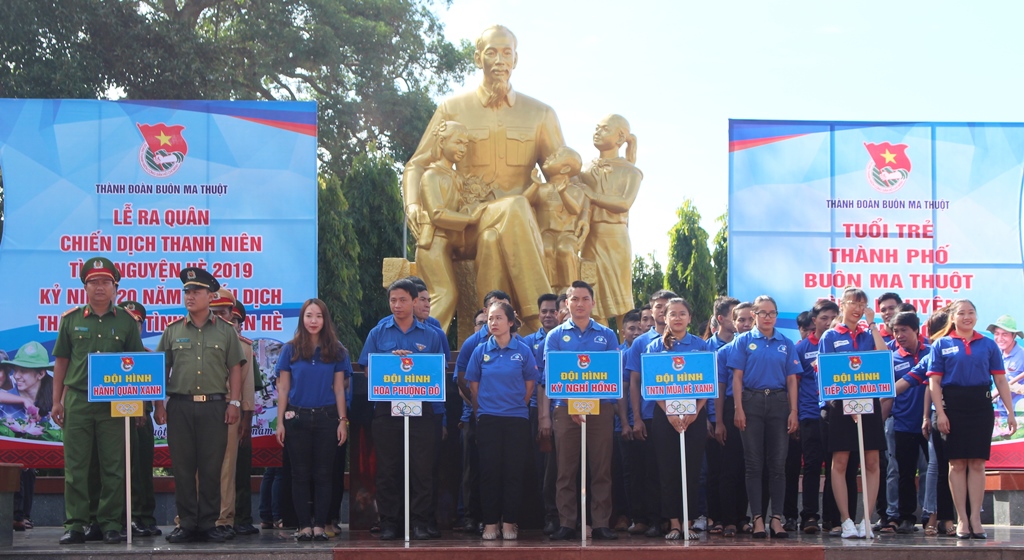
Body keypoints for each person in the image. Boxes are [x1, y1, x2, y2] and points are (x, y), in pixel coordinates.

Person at [404, 25, 563, 332]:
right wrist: (412, 204)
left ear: (516, 60)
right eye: (491, 52)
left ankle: (490, 331)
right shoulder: (453, 109)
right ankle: (541, 316)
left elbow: (560, 173)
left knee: (500, 230)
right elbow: (418, 164)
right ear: (478, 58)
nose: (500, 60)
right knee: (513, 208)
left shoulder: (540, 114)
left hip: (517, 229)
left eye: (507, 53)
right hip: (464, 224)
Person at [52, 256, 146, 545]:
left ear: (115, 286)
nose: (100, 287)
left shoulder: (127, 323)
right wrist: (57, 401)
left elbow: (138, 366)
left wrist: (140, 405)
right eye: (93, 282)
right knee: (76, 467)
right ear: (85, 287)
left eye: (106, 282)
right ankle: (76, 524)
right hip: (78, 401)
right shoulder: (71, 320)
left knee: (114, 466)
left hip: (114, 404)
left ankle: (109, 523)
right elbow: (62, 362)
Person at [157, 267, 245, 544]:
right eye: (187, 292)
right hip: (180, 406)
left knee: (211, 467)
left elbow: (235, 369)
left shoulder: (226, 332)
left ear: (210, 296)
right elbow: (162, 369)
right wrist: (159, 406)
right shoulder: (172, 331)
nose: (190, 296)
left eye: (196, 292)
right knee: (182, 468)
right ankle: (186, 523)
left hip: (215, 406)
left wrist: (234, 403)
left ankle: (208, 523)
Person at [358, 278, 446, 540]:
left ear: (415, 301)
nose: (397, 305)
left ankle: (419, 522)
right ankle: (389, 522)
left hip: (422, 410)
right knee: (388, 468)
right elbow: (366, 369)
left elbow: (439, 373)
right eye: (393, 300)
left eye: (403, 300)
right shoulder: (378, 332)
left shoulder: (431, 335)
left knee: (421, 468)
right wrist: (390, 362)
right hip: (387, 410)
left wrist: (415, 362)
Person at [928, 300, 1017, 538]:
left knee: (977, 463)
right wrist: (941, 412)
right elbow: (934, 382)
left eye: (971, 313)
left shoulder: (987, 345)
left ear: (976, 316)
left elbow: (1000, 380)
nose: (967, 317)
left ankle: (976, 519)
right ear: (953, 318)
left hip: (980, 406)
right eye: (961, 313)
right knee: (956, 464)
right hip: (952, 406)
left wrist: (1009, 411)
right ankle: (962, 520)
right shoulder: (941, 344)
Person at [544, 280, 621, 540]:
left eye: (584, 298)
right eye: (574, 299)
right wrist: (576, 404)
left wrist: (587, 403)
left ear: (592, 302)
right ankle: (567, 522)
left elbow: (612, 375)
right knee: (565, 469)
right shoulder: (555, 336)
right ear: (566, 303)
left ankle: (600, 523)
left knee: (601, 468)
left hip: (601, 409)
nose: (579, 303)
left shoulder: (607, 335)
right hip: (565, 410)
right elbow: (551, 375)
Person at [274, 298, 351, 541]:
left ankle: (320, 525)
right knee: (300, 474)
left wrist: (342, 421)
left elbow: (340, 389)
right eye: (309, 316)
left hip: (328, 417)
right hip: (296, 417)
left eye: (318, 316)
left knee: (323, 474)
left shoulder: (337, 350)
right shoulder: (291, 349)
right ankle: (303, 526)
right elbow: (283, 389)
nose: (313, 321)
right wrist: (279, 422)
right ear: (302, 319)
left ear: (325, 320)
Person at [466, 301, 540, 540]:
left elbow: (530, 384)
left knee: (513, 472)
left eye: (499, 318)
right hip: (488, 419)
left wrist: (517, 404)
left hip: (516, 419)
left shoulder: (523, 351)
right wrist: (482, 410)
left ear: (510, 322)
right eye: (490, 319)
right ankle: (489, 523)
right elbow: (473, 387)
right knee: (489, 472)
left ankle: (509, 522)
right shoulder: (480, 351)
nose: (493, 323)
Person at [728, 295, 801, 539]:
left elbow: (792, 379)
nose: (767, 317)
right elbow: (736, 378)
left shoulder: (786, 342)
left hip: (780, 403)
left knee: (778, 465)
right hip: (751, 402)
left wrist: (793, 411)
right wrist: (738, 408)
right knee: (753, 464)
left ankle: (776, 519)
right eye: (763, 313)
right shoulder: (743, 341)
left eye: (772, 313)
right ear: (754, 316)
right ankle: (757, 518)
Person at [817, 287, 887, 539]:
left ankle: (866, 519)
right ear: (842, 305)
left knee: (872, 461)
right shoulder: (831, 336)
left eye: (863, 304)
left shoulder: (869, 334)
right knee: (841, 462)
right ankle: (846, 519)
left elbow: (883, 359)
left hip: (869, 402)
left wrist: (874, 325)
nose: (858, 308)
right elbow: (825, 374)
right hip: (840, 405)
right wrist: (848, 404)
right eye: (853, 303)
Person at [645, 298, 710, 540]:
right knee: (668, 469)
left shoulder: (701, 346)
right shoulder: (655, 347)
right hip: (664, 416)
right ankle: (673, 522)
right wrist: (669, 412)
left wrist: (695, 412)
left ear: (690, 318)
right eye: (673, 314)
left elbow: (708, 385)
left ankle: (688, 522)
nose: (678, 318)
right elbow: (651, 385)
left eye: (683, 313)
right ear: (664, 317)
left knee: (692, 470)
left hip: (694, 415)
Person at [454, 289, 514, 533]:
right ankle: (471, 516)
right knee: (474, 470)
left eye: (503, 312)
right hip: (475, 416)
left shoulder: (519, 344)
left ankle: (505, 519)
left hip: (509, 417)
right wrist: (478, 405)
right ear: (485, 312)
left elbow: (528, 382)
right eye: (492, 312)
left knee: (505, 469)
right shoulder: (474, 343)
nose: (496, 318)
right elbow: (461, 378)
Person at [579, 115, 642, 325]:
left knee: (622, 298)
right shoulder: (583, 169)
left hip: (615, 238)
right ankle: (601, 350)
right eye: (597, 128)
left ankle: (628, 348)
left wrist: (592, 194)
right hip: (590, 238)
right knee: (594, 296)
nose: (597, 132)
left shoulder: (630, 171)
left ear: (620, 137)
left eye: (604, 129)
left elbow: (624, 203)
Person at [624, 289, 677, 536]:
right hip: (648, 415)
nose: (662, 310)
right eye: (658, 306)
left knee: (672, 470)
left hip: (681, 416)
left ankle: (671, 519)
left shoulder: (686, 340)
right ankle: (650, 518)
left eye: (667, 306)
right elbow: (634, 382)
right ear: (652, 310)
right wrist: (635, 419)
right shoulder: (641, 343)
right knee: (647, 470)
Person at [881, 311, 931, 534]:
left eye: (904, 330)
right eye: (895, 331)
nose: (899, 335)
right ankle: (906, 517)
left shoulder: (932, 352)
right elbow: (887, 396)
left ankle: (932, 514)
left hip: (929, 424)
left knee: (932, 471)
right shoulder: (891, 358)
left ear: (916, 330)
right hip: (902, 423)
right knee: (905, 473)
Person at [115, 300, 161, 538]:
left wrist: (148, 409)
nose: (134, 326)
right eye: (129, 322)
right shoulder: (112, 355)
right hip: (114, 420)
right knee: (117, 470)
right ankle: (121, 518)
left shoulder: (147, 356)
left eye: (138, 322)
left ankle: (144, 517)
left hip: (142, 421)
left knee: (142, 469)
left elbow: (157, 387)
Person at [794, 299, 839, 534]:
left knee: (836, 466)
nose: (829, 322)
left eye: (833, 317)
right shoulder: (802, 348)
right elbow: (795, 384)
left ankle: (833, 517)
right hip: (810, 414)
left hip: (837, 415)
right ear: (814, 321)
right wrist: (796, 415)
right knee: (812, 466)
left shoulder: (841, 344)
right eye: (824, 318)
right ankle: (809, 516)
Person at [714, 301, 755, 537]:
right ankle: (729, 519)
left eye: (750, 319)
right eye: (741, 320)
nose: (746, 324)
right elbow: (719, 389)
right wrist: (719, 421)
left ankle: (743, 517)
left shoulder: (764, 348)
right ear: (732, 322)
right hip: (731, 409)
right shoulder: (724, 352)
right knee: (730, 467)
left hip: (759, 407)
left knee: (751, 467)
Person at [523, 147, 586, 293]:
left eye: (555, 156)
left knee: (566, 250)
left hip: (567, 234)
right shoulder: (542, 188)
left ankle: (571, 290)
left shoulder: (576, 190)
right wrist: (535, 185)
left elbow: (575, 209)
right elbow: (523, 202)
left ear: (565, 169)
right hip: (546, 233)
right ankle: (548, 290)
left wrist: (563, 193)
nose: (549, 157)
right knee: (546, 250)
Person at [523, 293, 561, 533]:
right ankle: (546, 515)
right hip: (538, 410)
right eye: (544, 311)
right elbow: (533, 380)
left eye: (552, 311)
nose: (548, 315)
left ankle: (564, 515)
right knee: (542, 465)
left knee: (560, 466)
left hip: (567, 409)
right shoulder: (528, 342)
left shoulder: (563, 339)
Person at [230, 298, 262, 536]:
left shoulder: (245, 348)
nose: (231, 323)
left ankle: (241, 517)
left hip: (240, 415)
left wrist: (247, 423)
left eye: (235, 320)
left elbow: (251, 388)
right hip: (210, 413)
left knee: (241, 470)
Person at [987, 315, 1024, 418]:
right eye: (997, 334)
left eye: (1005, 334)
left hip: (1019, 415)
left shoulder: (1022, 355)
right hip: (1000, 413)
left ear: (1014, 336)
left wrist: (1020, 389)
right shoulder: (996, 354)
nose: (1000, 338)